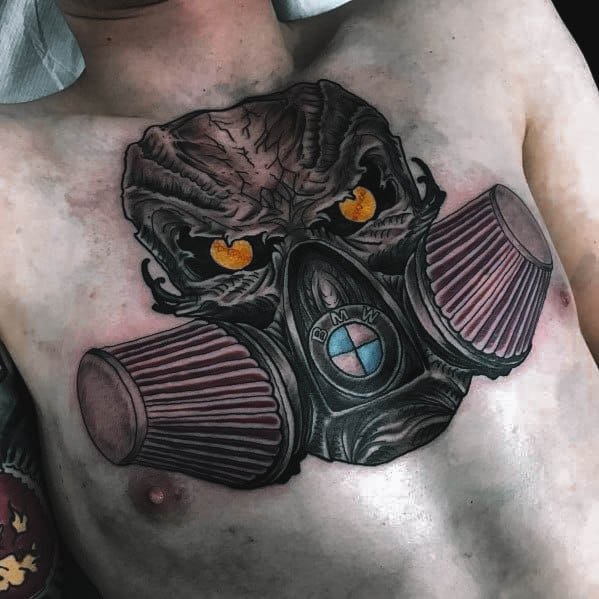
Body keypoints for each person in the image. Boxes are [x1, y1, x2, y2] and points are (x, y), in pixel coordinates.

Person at [0, 1, 598, 597]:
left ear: (415, 189)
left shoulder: (481, 23)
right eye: (231, 255)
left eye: (360, 206)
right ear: (172, 282)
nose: (332, 299)